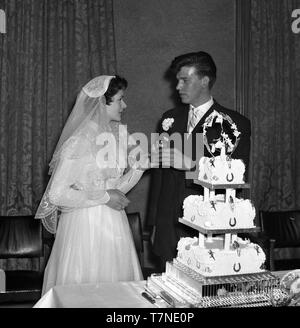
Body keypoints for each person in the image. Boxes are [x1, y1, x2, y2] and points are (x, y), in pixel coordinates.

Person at [35, 75, 149, 295]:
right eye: (120, 99)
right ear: (101, 102)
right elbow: (57, 194)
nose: (124, 105)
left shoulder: (115, 136)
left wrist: (140, 168)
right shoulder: (79, 141)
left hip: (115, 223)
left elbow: (117, 190)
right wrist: (105, 197)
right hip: (84, 226)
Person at [147, 51, 251, 271]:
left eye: (185, 80)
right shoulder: (169, 118)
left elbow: (236, 177)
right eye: (177, 80)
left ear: (204, 81)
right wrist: (154, 222)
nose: (178, 86)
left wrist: (192, 165)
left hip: (206, 225)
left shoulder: (235, 123)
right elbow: (160, 175)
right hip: (167, 225)